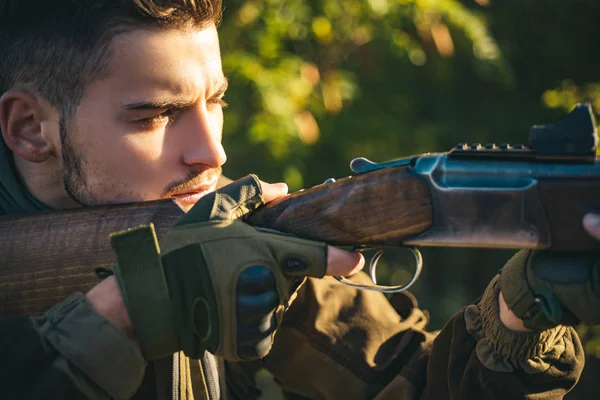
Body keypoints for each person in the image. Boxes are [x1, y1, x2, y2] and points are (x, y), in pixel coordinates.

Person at [0, 1, 596, 399]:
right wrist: (131, 309)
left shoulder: (232, 254)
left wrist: (527, 308)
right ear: (30, 128)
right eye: (157, 115)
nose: (212, 153)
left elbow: (420, 385)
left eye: (217, 101)